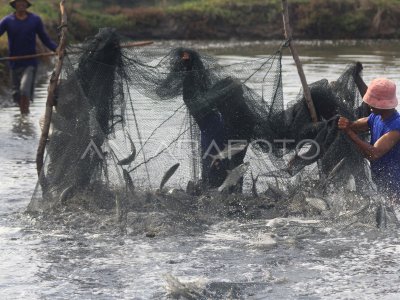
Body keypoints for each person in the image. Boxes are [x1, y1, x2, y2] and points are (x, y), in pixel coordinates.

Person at [338, 78, 400, 201]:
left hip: (396, 183)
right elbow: (358, 124)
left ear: (383, 104)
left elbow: (374, 153)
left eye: (372, 102)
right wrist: (349, 124)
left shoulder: (396, 127)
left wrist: (349, 133)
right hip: (381, 178)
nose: (368, 104)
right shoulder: (376, 116)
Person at [0, 0, 58, 114]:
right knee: (16, 94)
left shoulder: (35, 20)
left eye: (23, 2)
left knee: (24, 90)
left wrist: (56, 49)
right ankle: (24, 115)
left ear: (27, 4)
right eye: (18, 2)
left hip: (30, 62)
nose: (21, 4)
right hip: (14, 63)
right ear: (14, 4)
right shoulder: (7, 21)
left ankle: (25, 119)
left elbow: (44, 38)